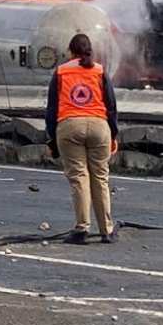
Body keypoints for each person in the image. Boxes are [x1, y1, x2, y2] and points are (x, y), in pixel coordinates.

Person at [46, 33, 119, 245]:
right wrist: (113, 134)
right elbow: (111, 107)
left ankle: (82, 229)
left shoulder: (60, 72)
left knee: (79, 177)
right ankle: (107, 230)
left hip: (70, 126)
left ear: (70, 52)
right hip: (99, 126)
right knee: (100, 177)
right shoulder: (100, 70)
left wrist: (52, 140)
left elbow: (52, 110)